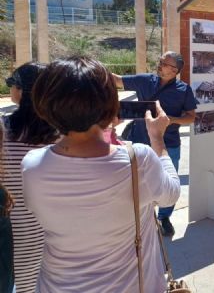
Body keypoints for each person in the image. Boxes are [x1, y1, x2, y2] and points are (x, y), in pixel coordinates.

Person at [22, 57, 180, 292]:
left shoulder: (32, 165)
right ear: (110, 104)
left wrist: (103, 127)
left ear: (44, 105)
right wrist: (157, 138)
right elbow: (171, 194)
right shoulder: (138, 158)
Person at [112, 51, 197, 236]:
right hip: (139, 141)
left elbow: (191, 117)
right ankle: (142, 216)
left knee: (168, 182)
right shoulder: (144, 80)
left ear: (175, 70)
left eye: (164, 63)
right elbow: (117, 80)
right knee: (137, 181)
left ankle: (164, 217)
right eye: (160, 61)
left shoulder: (184, 90)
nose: (159, 64)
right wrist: (91, 71)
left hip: (169, 144)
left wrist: (170, 120)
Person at [0, 63, 60, 293]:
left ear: (21, 91)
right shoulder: (60, 134)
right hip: (45, 228)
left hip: (9, 226)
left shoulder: (3, 130)